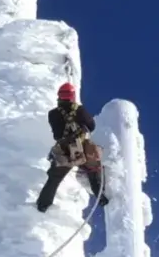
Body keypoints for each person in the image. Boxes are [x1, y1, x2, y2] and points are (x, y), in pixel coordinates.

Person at [36, 83, 108, 212]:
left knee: (54, 179)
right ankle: (100, 196)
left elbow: (57, 134)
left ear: (59, 96)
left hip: (64, 150)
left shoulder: (52, 114)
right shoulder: (80, 110)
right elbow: (92, 126)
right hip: (81, 148)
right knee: (93, 169)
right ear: (72, 96)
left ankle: (43, 205)